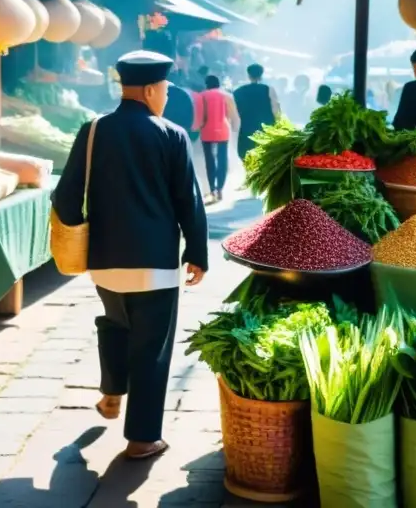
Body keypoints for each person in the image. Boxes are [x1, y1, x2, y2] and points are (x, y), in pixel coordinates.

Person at [52, 50, 207, 461]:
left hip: (104, 260)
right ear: (153, 89)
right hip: (155, 263)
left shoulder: (93, 130)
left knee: (115, 324)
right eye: (166, 92)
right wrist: (196, 251)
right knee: (151, 347)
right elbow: (188, 201)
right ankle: (142, 438)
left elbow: (66, 195)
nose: (167, 98)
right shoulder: (171, 134)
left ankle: (111, 394)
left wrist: (79, 232)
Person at [196, 74, 239, 203]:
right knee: (222, 159)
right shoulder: (226, 96)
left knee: (209, 160)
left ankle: (212, 188)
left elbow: (199, 116)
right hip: (222, 130)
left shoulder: (201, 96)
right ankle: (220, 188)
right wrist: (235, 128)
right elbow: (233, 115)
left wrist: (197, 128)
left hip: (206, 131)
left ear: (206, 84)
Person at [233, 63, 280, 162]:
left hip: (246, 130)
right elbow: (276, 109)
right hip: (266, 129)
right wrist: (279, 125)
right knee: (263, 157)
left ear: (248, 75)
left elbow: (234, 112)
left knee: (246, 156)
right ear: (261, 75)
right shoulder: (268, 89)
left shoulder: (238, 91)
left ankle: (250, 175)